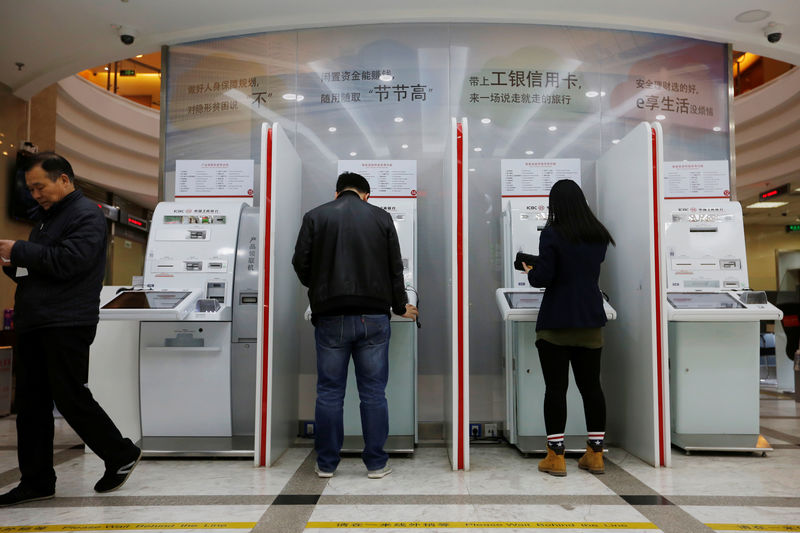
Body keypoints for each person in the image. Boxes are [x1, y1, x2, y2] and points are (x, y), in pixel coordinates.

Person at [0, 152, 141, 506]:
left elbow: (69, 262)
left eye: (40, 187)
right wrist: (12, 263)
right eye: (31, 189)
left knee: (69, 395)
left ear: (64, 180)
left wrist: (20, 249)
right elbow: (39, 270)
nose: (35, 195)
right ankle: (37, 481)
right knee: (30, 405)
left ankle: (120, 453)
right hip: (35, 321)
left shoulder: (85, 216)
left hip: (66, 322)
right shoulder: (47, 220)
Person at [292, 171, 418, 479]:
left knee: (329, 393)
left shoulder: (315, 216)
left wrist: (321, 286)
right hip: (373, 317)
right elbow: (394, 268)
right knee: (373, 393)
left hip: (331, 317)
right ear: (366, 195)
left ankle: (326, 464)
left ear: (337, 194)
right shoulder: (381, 218)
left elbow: (300, 262)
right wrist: (400, 306)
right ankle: (376, 463)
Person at [522, 179, 614, 477]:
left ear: (554, 205)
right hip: (589, 319)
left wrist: (530, 270)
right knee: (591, 388)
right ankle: (595, 454)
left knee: (556, 389)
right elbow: (582, 269)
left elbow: (544, 277)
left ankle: (556, 457)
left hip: (556, 322)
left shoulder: (552, 232)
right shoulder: (598, 234)